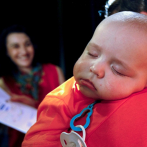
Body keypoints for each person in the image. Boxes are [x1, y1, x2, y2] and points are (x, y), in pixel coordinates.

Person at [22, 12, 147, 147]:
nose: (95, 68)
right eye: (92, 54)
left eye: (117, 70)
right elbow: (37, 141)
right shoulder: (62, 100)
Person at [0, 25, 65, 147]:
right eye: (15, 46)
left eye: (27, 44)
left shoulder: (54, 71)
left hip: (55, 139)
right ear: (7, 51)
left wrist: (35, 106)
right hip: (22, 142)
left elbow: (67, 111)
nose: (24, 51)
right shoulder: (4, 82)